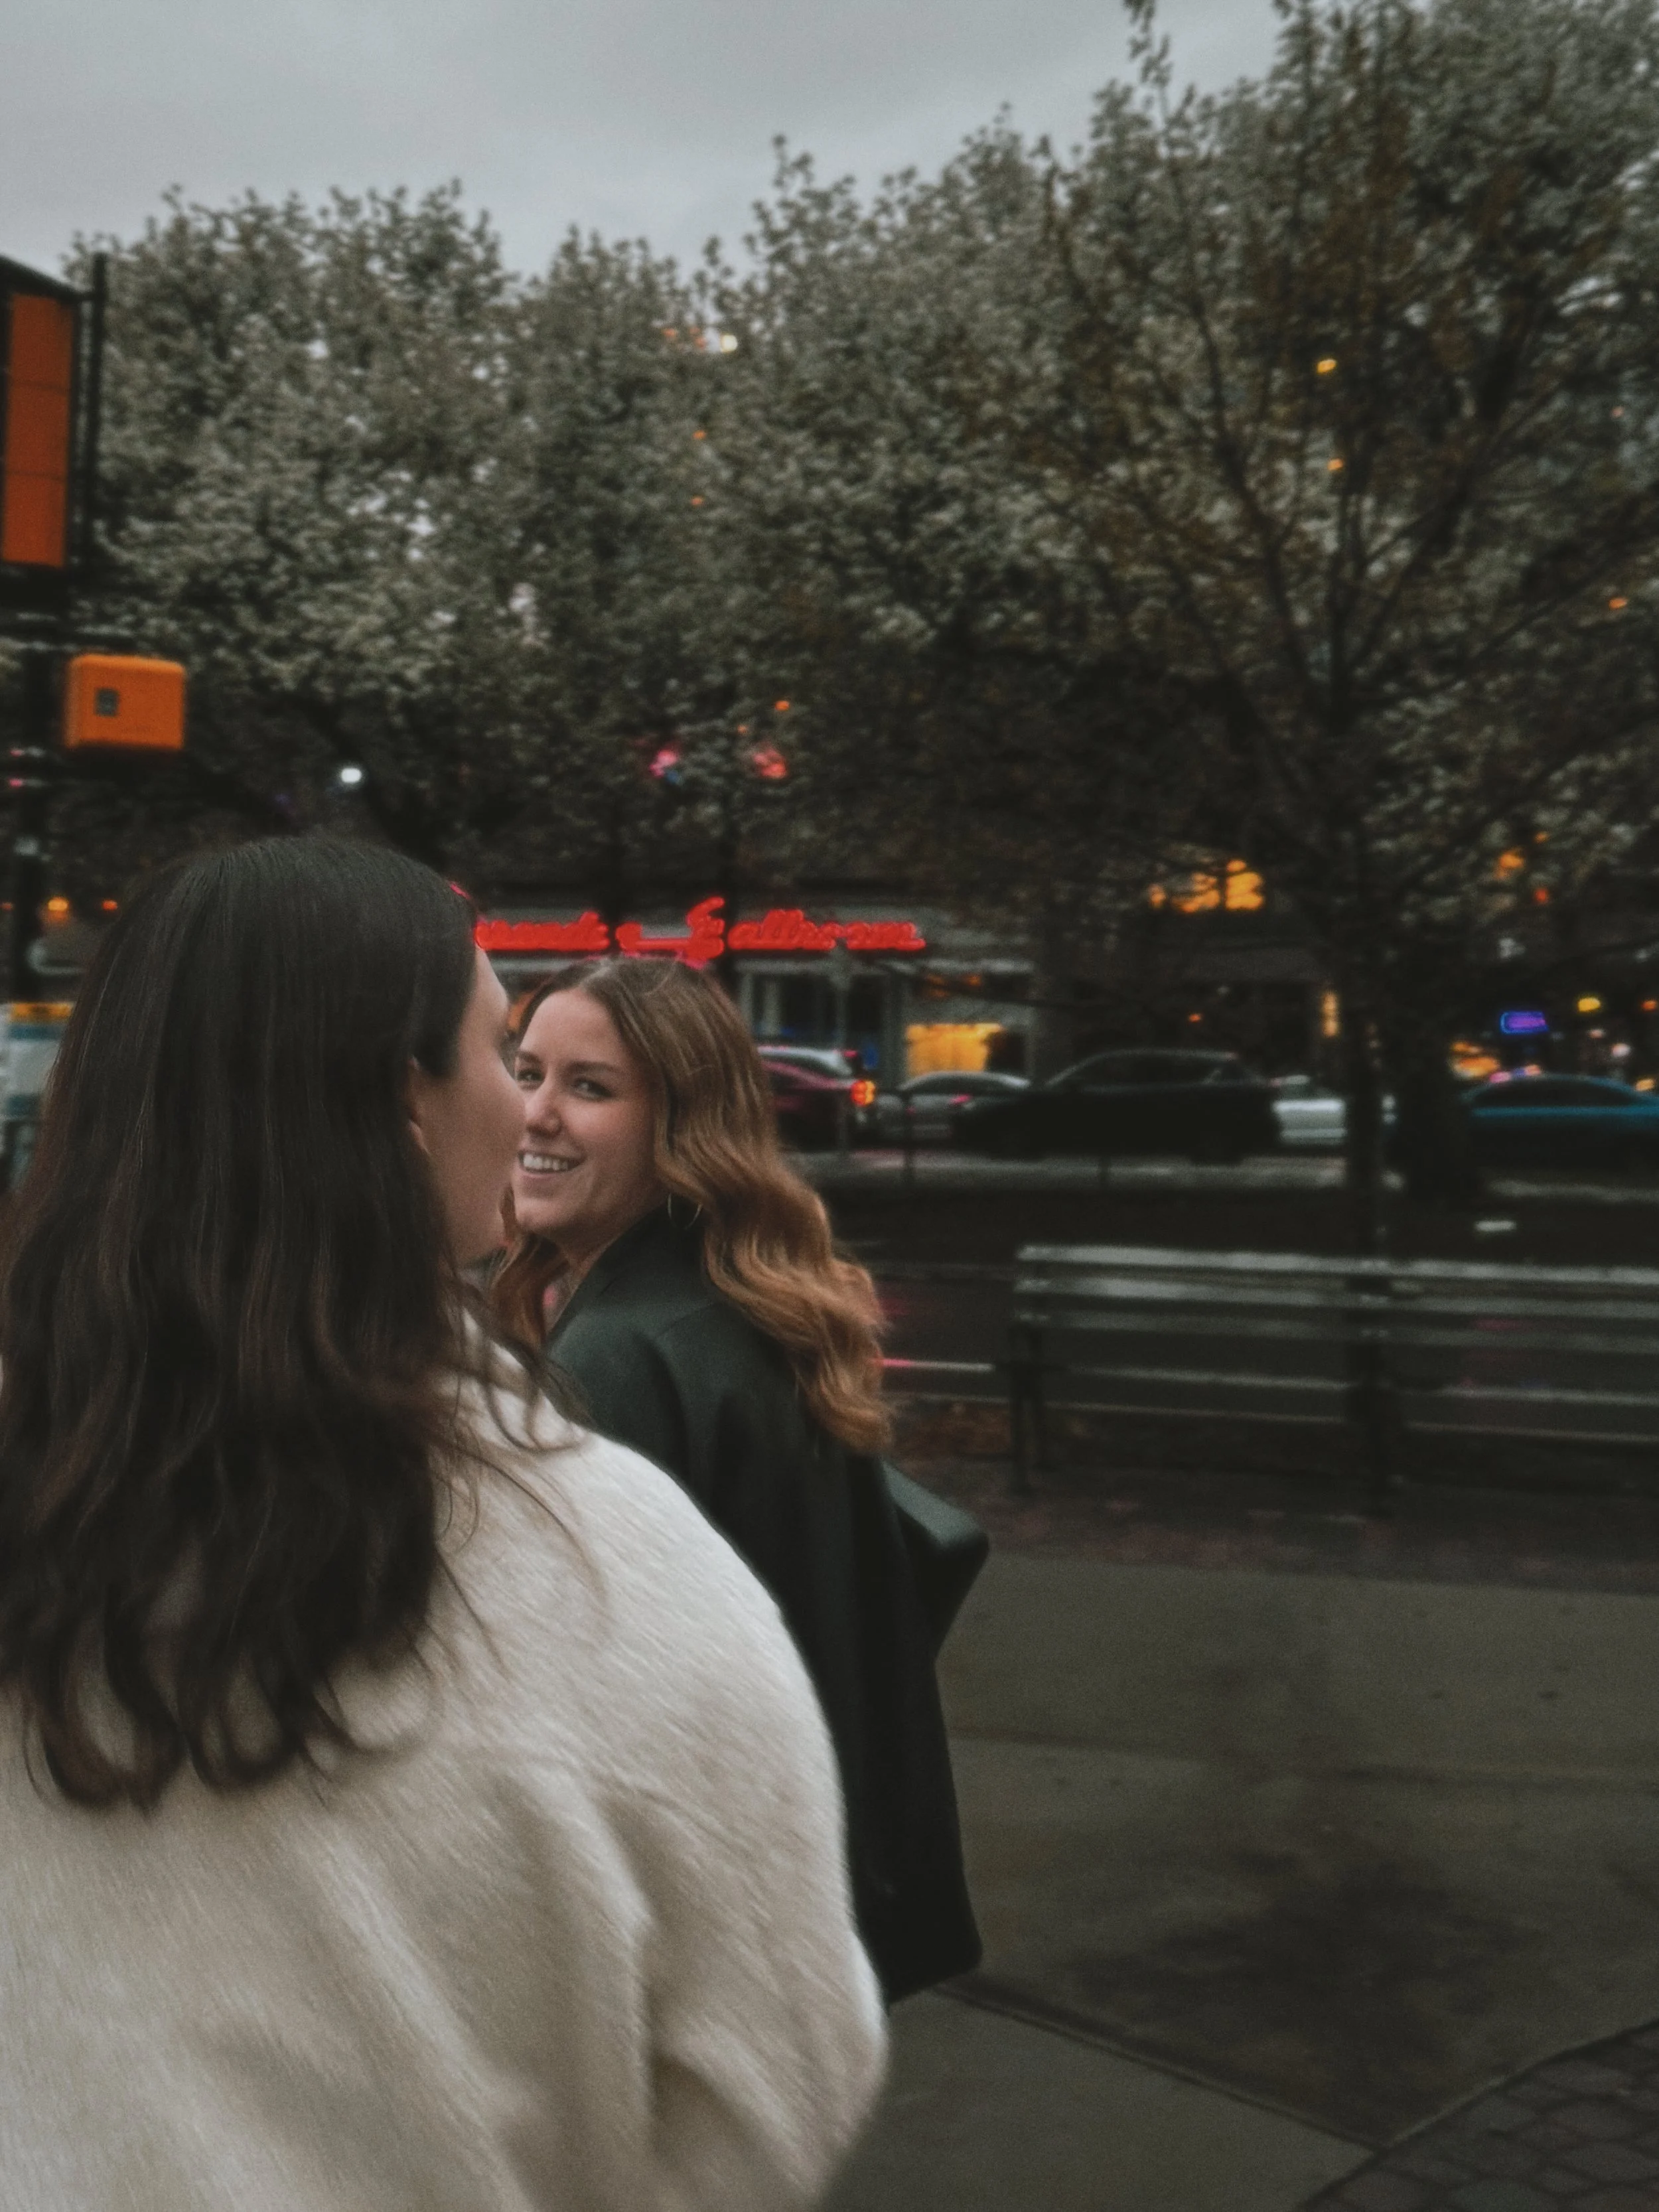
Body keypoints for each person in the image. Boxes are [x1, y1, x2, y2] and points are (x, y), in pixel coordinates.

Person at [0, 838, 884, 2212]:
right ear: (401, 1106)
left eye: (574, 1080)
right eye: (501, 1051)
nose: (523, 1105)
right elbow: (785, 2073)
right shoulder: (608, 1563)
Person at [494, 956, 981, 2004]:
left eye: (591, 1088)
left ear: (682, 1126)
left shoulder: (621, 1359)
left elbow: (577, 1711)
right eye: (525, 1071)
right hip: (799, 1892)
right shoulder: (741, 1305)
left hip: (687, 1938)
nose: (536, 1114)